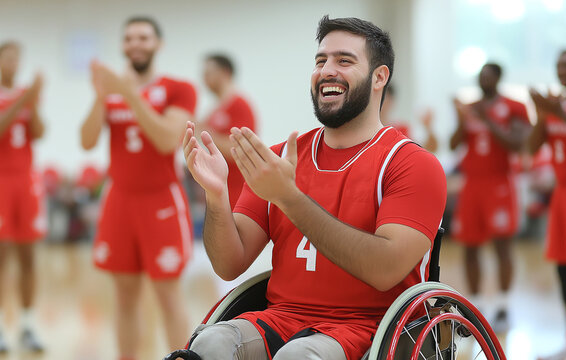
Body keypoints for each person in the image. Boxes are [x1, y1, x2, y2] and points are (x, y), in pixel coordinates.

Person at [180, 16, 446, 360]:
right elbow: (229, 264)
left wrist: (289, 198)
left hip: (372, 328)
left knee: (298, 356)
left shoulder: (411, 163)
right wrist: (215, 195)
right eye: (321, 60)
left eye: (344, 60)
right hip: (282, 319)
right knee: (209, 344)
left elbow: (385, 271)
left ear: (379, 77)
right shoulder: (278, 158)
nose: (327, 70)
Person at [80, 16, 196, 360]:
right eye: (129, 38)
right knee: (124, 296)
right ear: (122, 45)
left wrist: (128, 92)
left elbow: (165, 140)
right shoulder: (111, 91)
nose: (136, 44)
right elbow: (86, 142)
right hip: (119, 198)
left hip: (160, 199)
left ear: (157, 43)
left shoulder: (179, 88)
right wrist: (101, 96)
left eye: (144, 37)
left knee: (168, 295)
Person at [0, 41, 46, 354]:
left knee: (28, 256)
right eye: (7, 56)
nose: (13, 62)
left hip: (26, 180)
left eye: (18, 57)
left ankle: (28, 325)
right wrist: (26, 97)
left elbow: (39, 132)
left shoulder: (27, 97)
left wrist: (35, 102)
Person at [449, 63, 531, 331]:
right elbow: (453, 144)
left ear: (498, 78)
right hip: (472, 184)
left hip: (500, 183)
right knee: (469, 247)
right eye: (480, 76)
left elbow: (517, 144)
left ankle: (504, 307)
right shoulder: (471, 107)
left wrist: (487, 119)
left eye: (488, 75)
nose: (483, 79)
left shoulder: (514, 107)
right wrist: (462, 119)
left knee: (502, 247)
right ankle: (475, 306)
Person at [529, 49, 566, 360]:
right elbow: (531, 147)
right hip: (562, 196)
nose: (562, 70)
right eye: (558, 65)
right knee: (564, 270)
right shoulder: (555, 106)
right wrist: (542, 116)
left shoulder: (562, 107)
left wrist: (561, 112)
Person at [199, 53, 257, 207]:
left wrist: (204, 133)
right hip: (220, 190)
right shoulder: (215, 109)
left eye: (208, 73)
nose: (204, 79)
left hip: (238, 192)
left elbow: (239, 149)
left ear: (225, 73)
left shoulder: (239, 105)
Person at [380, 84, 438, 152]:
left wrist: (428, 127)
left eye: (383, 98)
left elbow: (427, 149)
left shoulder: (401, 130)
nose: (380, 102)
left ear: (391, 101)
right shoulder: (367, 130)